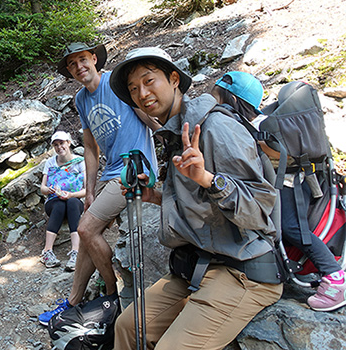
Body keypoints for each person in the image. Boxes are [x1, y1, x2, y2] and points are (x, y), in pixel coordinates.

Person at [109, 49, 283, 350]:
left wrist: (208, 179)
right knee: (127, 327)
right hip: (199, 264)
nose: (142, 93)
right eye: (134, 88)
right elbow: (202, 204)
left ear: (174, 79)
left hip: (244, 270)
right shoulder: (175, 133)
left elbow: (260, 208)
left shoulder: (215, 127)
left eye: (149, 81)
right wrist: (155, 197)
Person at [38, 42, 157, 326]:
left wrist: (169, 138)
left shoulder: (117, 82)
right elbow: (91, 147)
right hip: (109, 174)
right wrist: (90, 190)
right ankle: (73, 301)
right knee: (89, 233)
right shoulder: (81, 99)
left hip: (134, 168)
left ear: (94, 59)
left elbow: (146, 114)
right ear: (69, 71)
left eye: (83, 59)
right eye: (72, 64)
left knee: (86, 228)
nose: (79, 67)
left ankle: (112, 295)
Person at [211, 71, 346, 312]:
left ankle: (335, 277)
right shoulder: (259, 123)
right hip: (289, 185)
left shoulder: (259, 127)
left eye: (218, 98)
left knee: (292, 229)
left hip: (290, 187)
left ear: (232, 99)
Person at [39, 130, 86, 271]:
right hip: (54, 201)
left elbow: (87, 190)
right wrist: (49, 190)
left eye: (62, 143)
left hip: (74, 201)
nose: (59, 147)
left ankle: (76, 252)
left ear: (69, 143)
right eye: (56, 145)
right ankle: (47, 251)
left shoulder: (80, 162)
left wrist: (71, 195)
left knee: (71, 203)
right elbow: (43, 187)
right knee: (59, 205)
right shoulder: (50, 162)